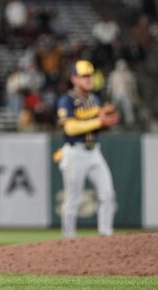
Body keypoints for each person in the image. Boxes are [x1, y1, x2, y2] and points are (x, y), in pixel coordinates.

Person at [56, 60, 119, 239]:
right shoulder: (66, 100)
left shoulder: (94, 99)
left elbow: (95, 126)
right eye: (84, 76)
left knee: (107, 194)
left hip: (94, 152)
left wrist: (107, 124)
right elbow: (70, 128)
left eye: (90, 75)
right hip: (75, 152)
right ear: (74, 78)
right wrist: (99, 121)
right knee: (73, 198)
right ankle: (69, 239)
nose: (88, 79)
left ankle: (105, 234)